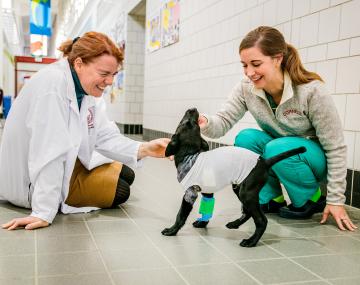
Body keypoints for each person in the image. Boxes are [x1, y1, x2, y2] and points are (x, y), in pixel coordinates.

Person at [0, 31, 169, 231]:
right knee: (122, 190)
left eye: (114, 74)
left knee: (128, 174)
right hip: (30, 179)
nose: (110, 82)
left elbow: (105, 135)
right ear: (79, 63)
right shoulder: (53, 86)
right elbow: (48, 153)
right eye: (104, 74)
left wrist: (146, 148)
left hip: (67, 162)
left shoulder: (85, 90)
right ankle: (55, 197)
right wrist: (43, 211)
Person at [195, 26, 357, 231]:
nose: (249, 72)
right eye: (244, 65)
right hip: (282, 150)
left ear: (277, 58)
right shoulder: (246, 88)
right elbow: (223, 121)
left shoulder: (312, 91)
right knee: (246, 138)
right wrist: (205, 122)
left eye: (256, 64)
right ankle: (271, 198)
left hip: (314, 161)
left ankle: (311, 198)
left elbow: (335, 148)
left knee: (277, 147)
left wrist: (336, 199)